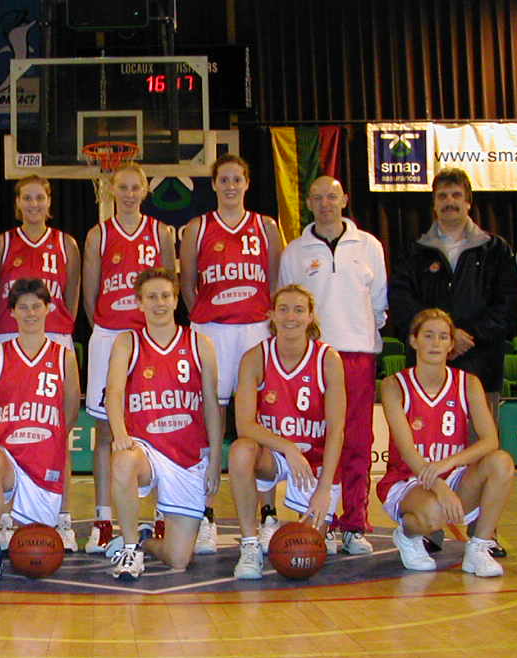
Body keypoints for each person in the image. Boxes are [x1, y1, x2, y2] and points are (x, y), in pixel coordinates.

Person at [389, 167, 517, 558]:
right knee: (430, 441)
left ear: (468, 202)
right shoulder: (415, 251)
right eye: (442, 197)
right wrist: (437, 337)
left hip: (479, 361)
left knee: (485, 449)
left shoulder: (495, 250)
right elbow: (402, 300)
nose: (449, 203)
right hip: (430, 363)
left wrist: (466, 336)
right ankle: (432, 529)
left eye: (456, 197)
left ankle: (485, 535)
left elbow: (508, 303)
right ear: (433, 203)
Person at [179, 154, 285, 553]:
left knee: (260, 419)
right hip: (212, 329)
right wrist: (207, 319)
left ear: (247, 182)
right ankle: (205, 513)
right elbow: (188, 285)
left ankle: (268, 513)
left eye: (236, 179)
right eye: (223, 179)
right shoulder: (197, 228)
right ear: (214, 183)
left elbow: (275, 282)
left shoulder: (267, 227)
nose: (230, 185)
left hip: (256, 328)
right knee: (209, 419)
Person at [278, 176, 386, 555]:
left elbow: (379, 304)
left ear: (344, 199)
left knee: (357, 442)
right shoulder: (294, 251)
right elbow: (287, 307)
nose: (325, 203)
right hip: (314, 358)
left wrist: (357, 334)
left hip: (357, 355)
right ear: (308, 202)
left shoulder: (369, 246)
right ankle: (318, 521)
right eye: (318, 197)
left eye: (332, 196)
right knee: (320, 445)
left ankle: (354, 523)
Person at [102, 268, 221, 580]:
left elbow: (211, 404)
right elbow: (114, 392)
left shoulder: (200, 343)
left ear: (175, 299)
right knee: (124, 462)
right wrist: (120, 434)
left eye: (165, 296)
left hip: (188, 454)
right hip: (147, 448)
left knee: (179, 559)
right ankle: (129, 548)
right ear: (139, 303)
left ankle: (145, 542)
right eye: (151, 297)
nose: (159, 303)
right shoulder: (128, 342)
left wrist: (215, 459)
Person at [81, 163, 175, 555]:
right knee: (106, 432)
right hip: (109, 333)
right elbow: (89, 295)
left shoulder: (161, 232)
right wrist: (106, 327)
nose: (130, 193)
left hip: (150, 337)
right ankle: (104, 520)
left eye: (136, 187)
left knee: (155, 424)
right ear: (111, 190)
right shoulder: (97, 235)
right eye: (123, 187)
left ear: (146, 190)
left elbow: (171, 286)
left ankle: (160, 517)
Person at [377, 309, 510, 577]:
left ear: (451, 344)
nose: (436, 343)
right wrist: (439, 487)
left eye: (442, 337)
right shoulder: (394, 385)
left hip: (453, 474)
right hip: (409, 479)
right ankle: (407, 535)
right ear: (414, 341)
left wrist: (448, 464)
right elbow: (408, 453)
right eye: (428, 335)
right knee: (433, 513)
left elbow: (490, 440)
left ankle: (478, 548)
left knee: (501, 462)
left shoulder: (468, 383)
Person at [0, 175, 81, 552]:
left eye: (39, 197)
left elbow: (71, 295)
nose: (33, 204)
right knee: (8, 427)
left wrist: (61, 327)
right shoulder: (1, 244)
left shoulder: (66, 244)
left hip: (54, 336)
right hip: (7, 338)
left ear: (49, 201)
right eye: (26, 198)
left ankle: (63, 516)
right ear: (17, 203)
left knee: (59, 430)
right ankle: (9, 515)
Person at [229, 284, 346, 580]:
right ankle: (250, 544)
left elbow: (336, 431)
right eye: (283, 309)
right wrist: (289, 448)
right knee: (242, 449)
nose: (290, 316)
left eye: (298, 310)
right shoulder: (255, 357)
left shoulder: (328, 359)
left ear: (310, 317)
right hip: (275, 455)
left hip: (315, 459)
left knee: (306, 546)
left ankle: (325, 524)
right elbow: (244, 425)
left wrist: (323, 490)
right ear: (271, 315)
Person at [0, 278, 80, 582]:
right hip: (8, 458)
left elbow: (69, 413)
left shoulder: (64, 356)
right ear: (13, 313)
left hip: (44, 464)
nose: (30, 313)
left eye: (36, 306)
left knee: (40, 541)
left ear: (48, 308)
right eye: (23, 307)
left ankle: (59, 519)